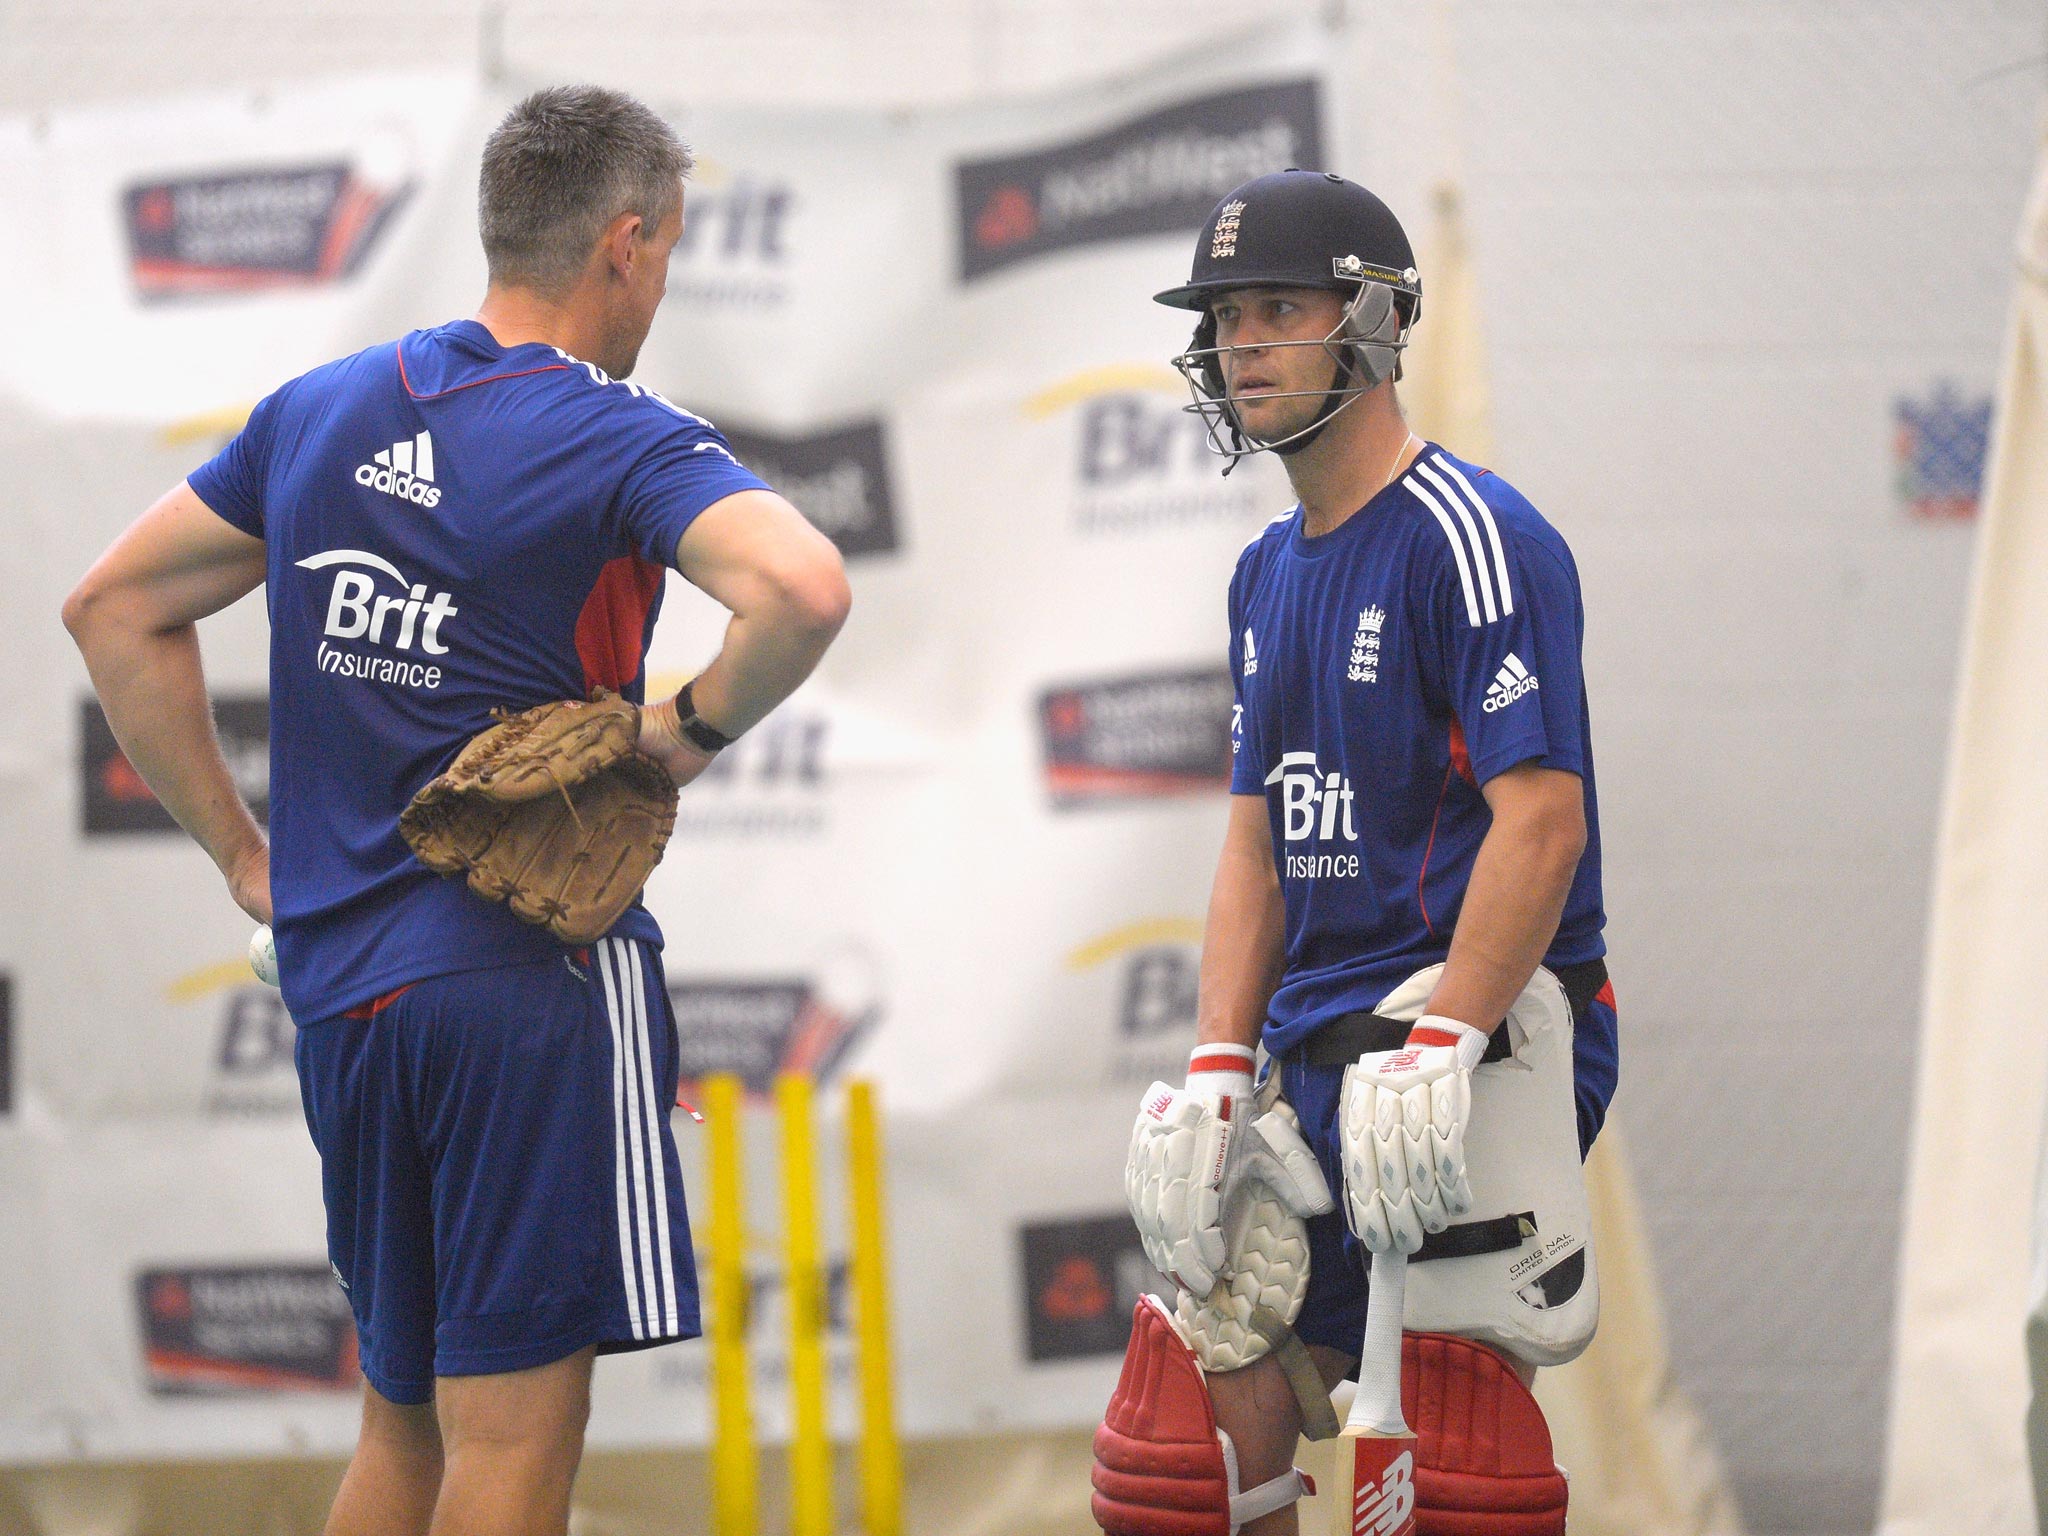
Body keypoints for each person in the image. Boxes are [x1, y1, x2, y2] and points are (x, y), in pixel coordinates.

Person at [63, 85, 849, 1536]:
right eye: (666, 252)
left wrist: (253, 863)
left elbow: (110, 606)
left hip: (342, 990)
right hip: (523, 990)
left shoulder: (320, 409)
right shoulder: (618, 432)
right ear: (625, 245)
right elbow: (803, 587)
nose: (663, 283)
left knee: (402, 1423)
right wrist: (679, 733)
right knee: (514, 1441)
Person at [1110, 170, 1616, 1536]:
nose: (1243, 343)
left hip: (1487, 1038)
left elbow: (1542, 820)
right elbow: (1255, 842)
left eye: (1281, 307)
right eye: (1225, 317)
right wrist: (1222, 1064)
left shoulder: (1477, 536)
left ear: (1376, 324)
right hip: (1318, 1048)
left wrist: (1450, 1036)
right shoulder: (1265, 572)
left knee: (1452, 1465)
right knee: (1174, 1462)